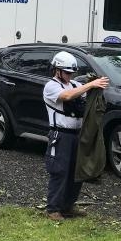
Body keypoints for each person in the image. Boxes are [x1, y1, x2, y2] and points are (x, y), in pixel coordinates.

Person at [43, 50, 108, 221]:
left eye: (72, 73)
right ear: (57, 70)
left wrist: (94, 84)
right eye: (67, 72)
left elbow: (83, 94)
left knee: (77, 171)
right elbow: (67, 96)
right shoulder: (51, 86)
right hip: (61, 135)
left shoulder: (73, 85)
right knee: (60, 171)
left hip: (77, 135)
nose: (70, 75)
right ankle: (53, 209)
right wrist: (90, 86)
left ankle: (68, 206)